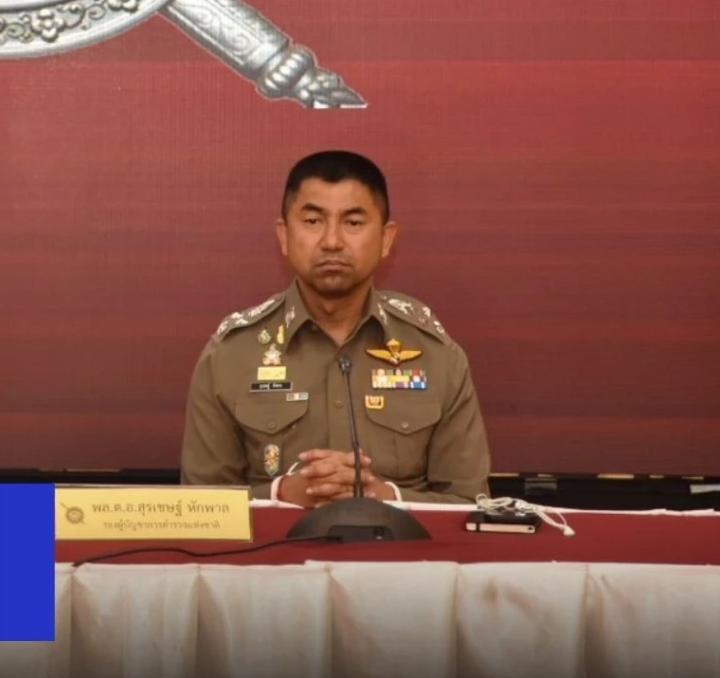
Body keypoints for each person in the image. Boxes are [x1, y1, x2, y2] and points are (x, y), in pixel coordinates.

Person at [180, 151, 490, 505]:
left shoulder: (436, 356)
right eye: (313, 221)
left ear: (386, 239)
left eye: (353, 223)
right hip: (277, 544)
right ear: (283, 235)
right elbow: (200, 510)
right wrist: (281, 495)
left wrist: (386, 498)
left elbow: (471, 505)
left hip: (399, 543)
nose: (331, 241)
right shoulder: (231, 355)